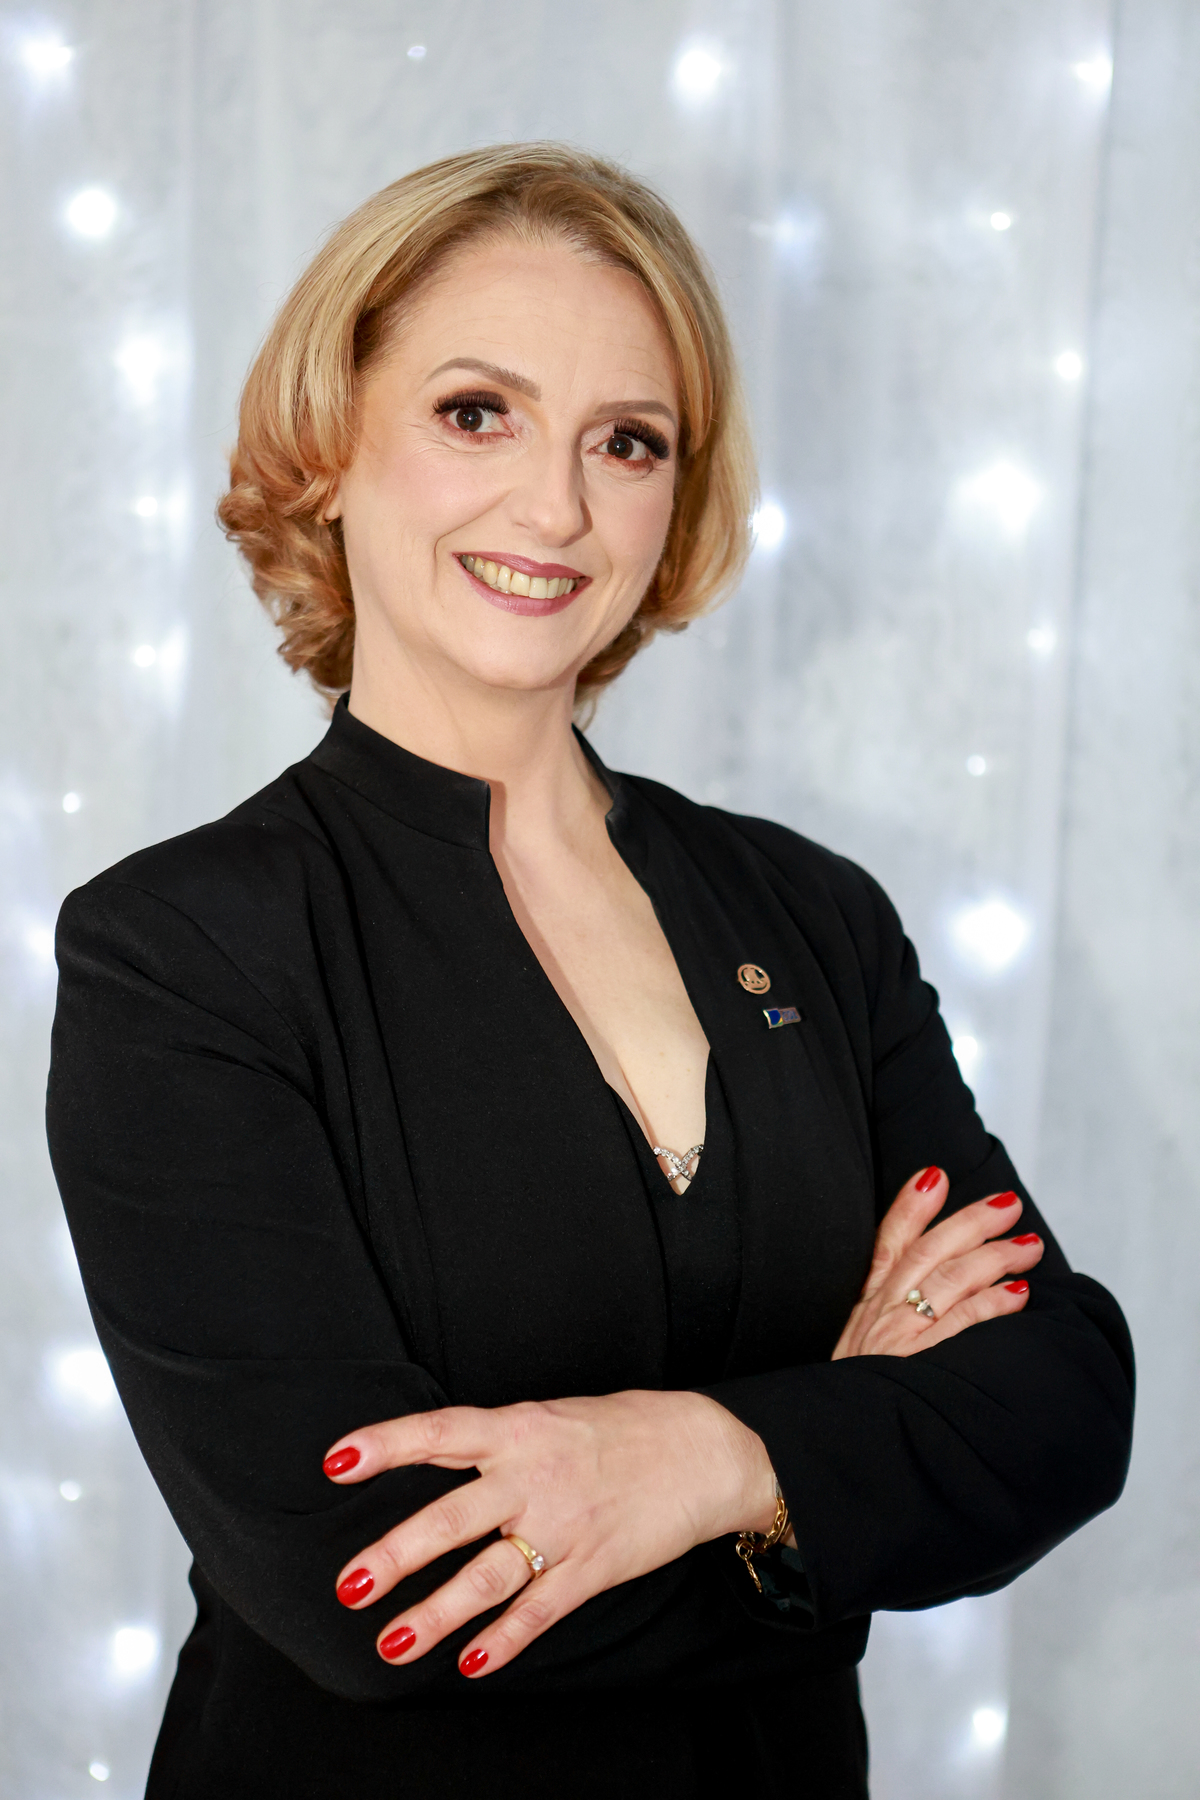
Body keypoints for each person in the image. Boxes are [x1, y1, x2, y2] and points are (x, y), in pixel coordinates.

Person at [46, 144, 1133, 1798]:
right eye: (477, 412)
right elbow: (374, 1588)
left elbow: (1058, 1399)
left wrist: (700, 1458)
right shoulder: (181, 952)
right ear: (331, 448)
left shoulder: (813, 913)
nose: (555, 508)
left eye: (627, 442)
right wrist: (838, 1461)